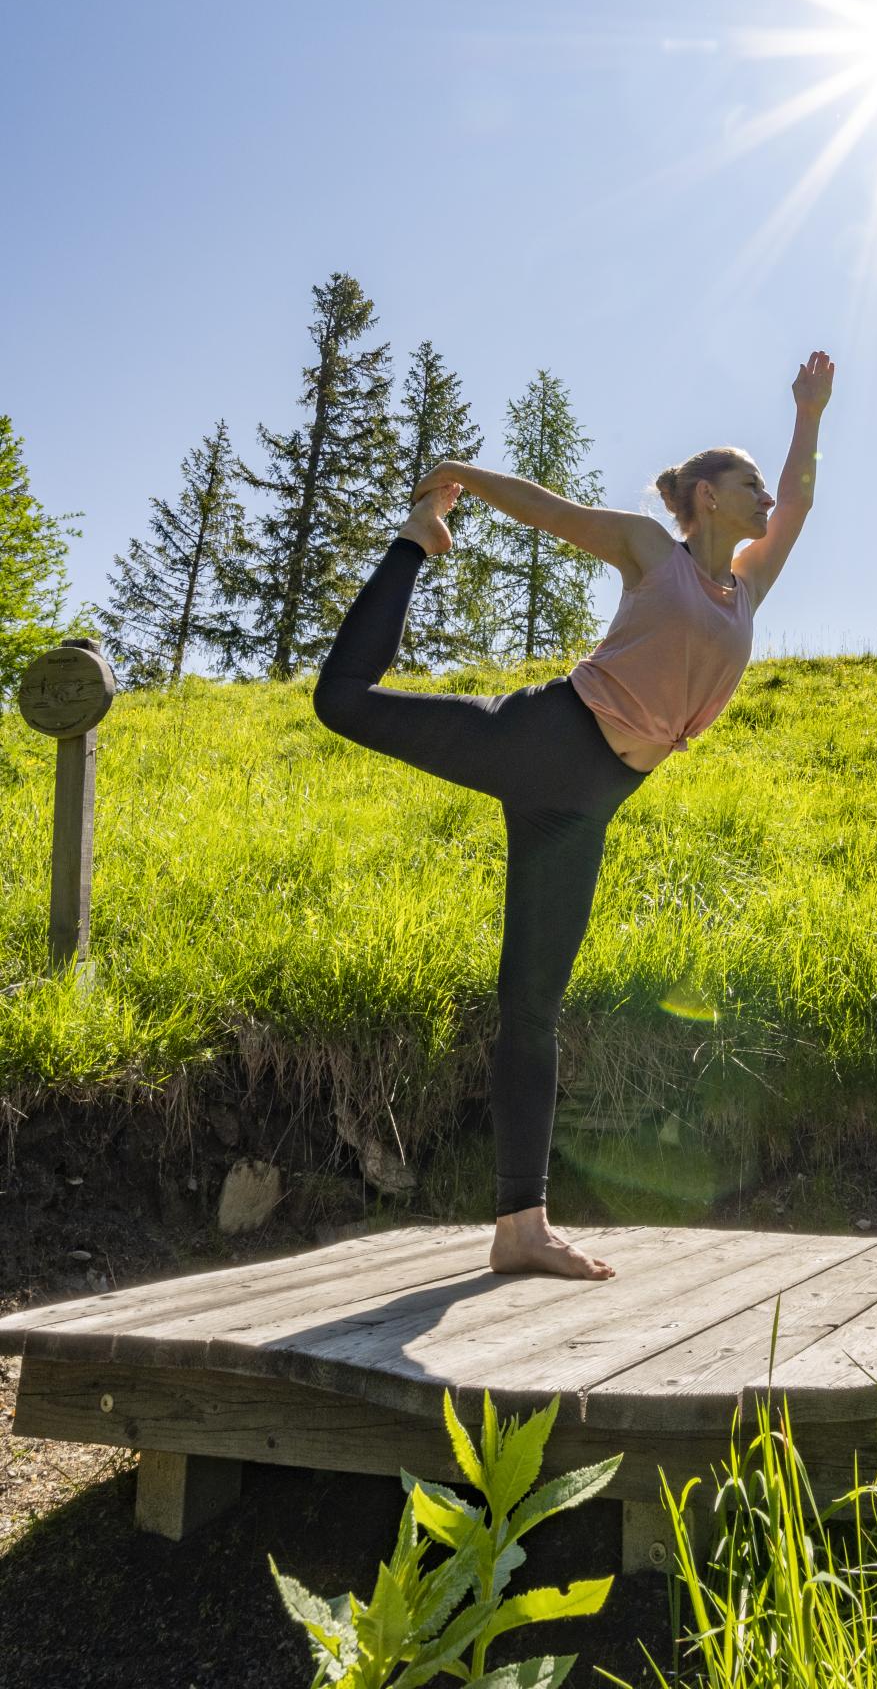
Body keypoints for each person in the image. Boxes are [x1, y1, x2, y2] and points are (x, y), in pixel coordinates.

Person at [313, 350, 835, 1280]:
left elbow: (798, 498)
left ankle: (521, 1226)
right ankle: (412, 545)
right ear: (705, 496)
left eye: (761, 483)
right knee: (343, 702)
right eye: (746, 481)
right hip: (546, 739)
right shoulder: (650, 550)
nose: (764, 496)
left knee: (533, 1008)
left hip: (588, 805)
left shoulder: (745, 587)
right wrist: (465, 479)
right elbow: (552, 513)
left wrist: (809, 413)